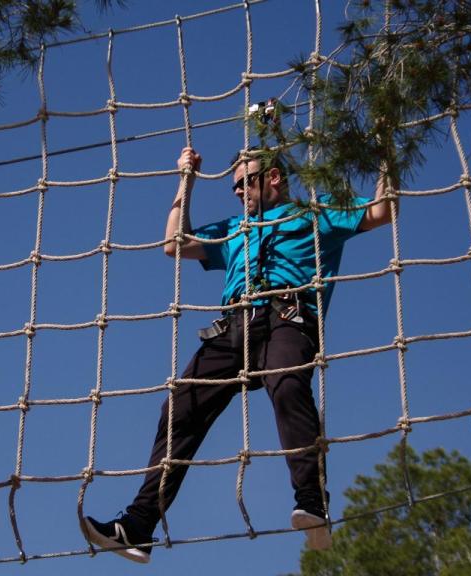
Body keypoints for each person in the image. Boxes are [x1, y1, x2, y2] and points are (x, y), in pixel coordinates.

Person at [83, 145, 396, 563]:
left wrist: (386, 149)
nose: (236, 192)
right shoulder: (235, 230)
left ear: (273, 178)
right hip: (235, 325)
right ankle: (139, 525)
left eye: (244, 183)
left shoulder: (314, 213)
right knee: (180, 408)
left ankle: (312, 501)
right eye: (233, 186)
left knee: (287, 385)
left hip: (287, 316)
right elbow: (174, 244)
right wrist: (186, 180)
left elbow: (381, 211)